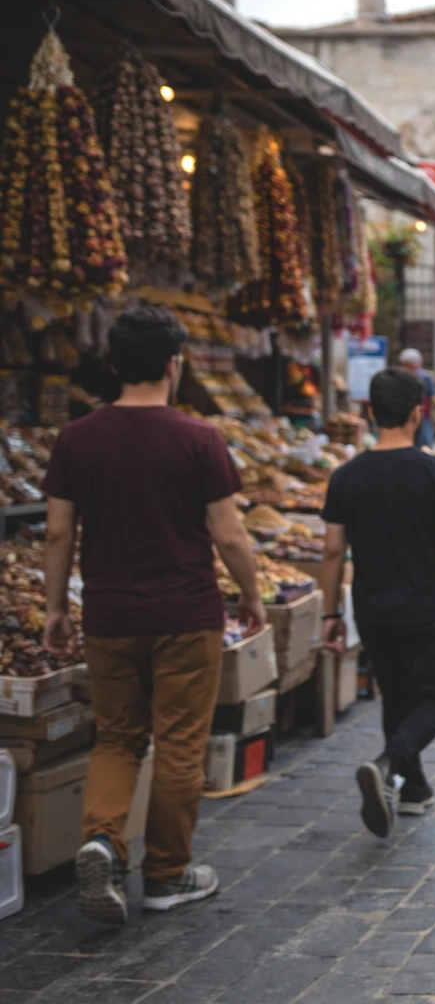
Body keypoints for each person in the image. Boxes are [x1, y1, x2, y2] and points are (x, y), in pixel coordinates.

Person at [42, 307, 266, 924]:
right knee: (179, 745)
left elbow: (58, 533)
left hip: (109, 615)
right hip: (185, 613)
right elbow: (231, 533)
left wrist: (56, 606)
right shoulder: (199, 439)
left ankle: (103, 841)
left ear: (113, 365)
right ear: (175, 364)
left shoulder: (76, 438)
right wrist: (249, 595)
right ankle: (167, 874)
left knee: (116, 739)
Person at [320, 367, 435, 838]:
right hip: (425, 607)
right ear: (417, 413)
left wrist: (329, 613)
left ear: (369, 413)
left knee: (397, 696)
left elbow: (330, 551)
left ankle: (412, 789)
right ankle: (389, 766)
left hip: (371, 608)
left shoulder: (345, 476)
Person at [398, 348, 435, 447]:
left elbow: (429, 399)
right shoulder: (425, 377)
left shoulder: (425, 378)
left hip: (418, 415)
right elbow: (430, 399)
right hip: (414, 415)